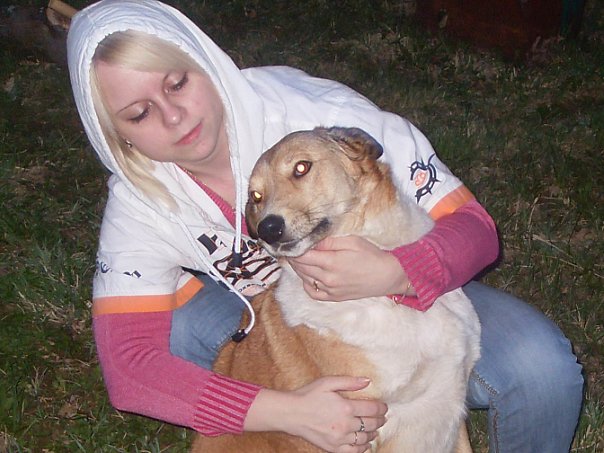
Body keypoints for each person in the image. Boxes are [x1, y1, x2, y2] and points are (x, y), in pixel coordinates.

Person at [67, 1, 584, 451]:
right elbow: (130, 369)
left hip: (395, 264)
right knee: (179, 328)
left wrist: (399, 272)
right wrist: (287, 411)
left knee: (541, 368)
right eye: (139, 113)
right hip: (252, 304)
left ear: (204, 61)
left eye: (177, 83)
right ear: (118, 137)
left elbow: (475, 230)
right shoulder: (138, 200)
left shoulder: (319, 116)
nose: (174, 117)